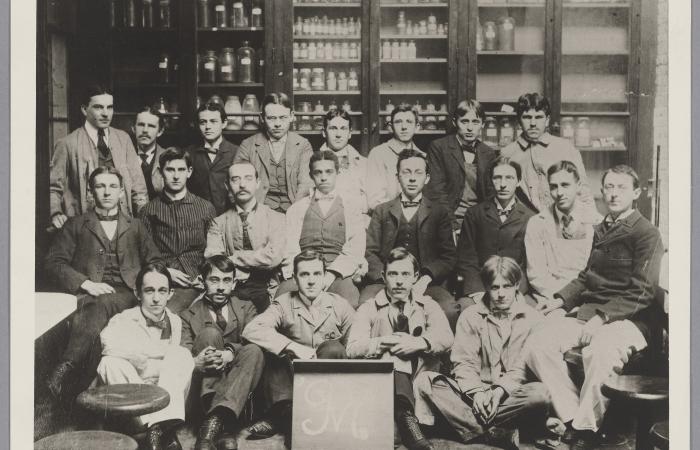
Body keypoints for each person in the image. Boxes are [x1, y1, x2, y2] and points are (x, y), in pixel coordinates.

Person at [525, 165, 664, 449]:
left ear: (636, 193)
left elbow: (642, 292)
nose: (613, 194)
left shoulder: (646, 233)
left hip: (631, 320)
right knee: (537, 345)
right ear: (602, 192)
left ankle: (585, 430)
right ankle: (573, 416)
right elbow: (586, 276)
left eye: (621, 188)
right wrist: (560, 300)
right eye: (609, 187)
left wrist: (602, 318)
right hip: (591, 313)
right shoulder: (602, 228)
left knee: (598, 352)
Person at [413, 256, 564, 449]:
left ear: (517, 285)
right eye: (495, 287)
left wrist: (499, 391)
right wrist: (477, 394)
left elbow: (522, 368)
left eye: (507, 286)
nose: (501, 294)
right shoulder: (470, 316)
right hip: (472, 396)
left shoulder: (534, 319)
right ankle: (495, 433)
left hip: (510, 395)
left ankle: (469, 427)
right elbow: (464, 362)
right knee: (426, 381)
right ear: (486, 287)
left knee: (540, 394)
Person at [44, 166, 162, 400]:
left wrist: (146, 288)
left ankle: (66, 368)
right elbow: (53, 263)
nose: (106, 192)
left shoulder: (136, 226)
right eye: (100, 186)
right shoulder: (76, 224)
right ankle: (82, 393)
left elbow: (155, 260)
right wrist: (85, 283)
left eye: (112, 186)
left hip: (129, 293)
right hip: (89, 294)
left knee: (103, 304)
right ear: (90, 193)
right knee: (99, 304)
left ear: (121, 193)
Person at [242, 250, 356, 444]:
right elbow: (251, 329)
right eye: (304, 274)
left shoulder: (341, 306)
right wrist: (292, 346)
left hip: (327, 391)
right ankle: (288, 418)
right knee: (274, 352)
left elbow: (355, 346)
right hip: (290, 386)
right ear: (295, 278)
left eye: (316, 274)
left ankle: (285, 422)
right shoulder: (283, 304)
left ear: (324, 276)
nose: (311, 281)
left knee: (334, 349)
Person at [347, 248, 454, 450]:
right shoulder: (370, 307)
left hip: (421, 382)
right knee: (393, 353)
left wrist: (419, 342)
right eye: (393, 274)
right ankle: (406, 417)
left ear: (415, 277)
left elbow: (447, 339)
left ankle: (406, 421)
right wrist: (386, 341)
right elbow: (352, 348)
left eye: (405, 274)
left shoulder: (427, 305)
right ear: (383, 276)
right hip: (385, 388)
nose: (399, 281)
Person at [97, 263, 194, 450]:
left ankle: (156, 430)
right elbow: (107, 343)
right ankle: (157, 428)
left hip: (164, 394)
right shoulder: (124, 319)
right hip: (134, 400)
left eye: (162, 291)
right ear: (137, 293)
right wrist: (149, 357)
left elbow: (175, 369)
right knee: (109, 363)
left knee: (181, 354)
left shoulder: (175, 321)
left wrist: (156, 361)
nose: (156, 298)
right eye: (149, 291)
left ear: (170, 294)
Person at [362, 149, 460, 328]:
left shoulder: (440, 212)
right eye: (406, 172)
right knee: (364, 307)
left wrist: (425, 279)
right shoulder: (382, 211)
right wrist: (386, 279)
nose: (412, 178)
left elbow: (448, 257)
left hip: (425, 284)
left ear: (427, 178)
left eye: (418, 173)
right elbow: (370, 252)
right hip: (386, 282)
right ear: (397, 177)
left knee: (449, 310)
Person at [179, 255, 264, 450]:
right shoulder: (186, 316)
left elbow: (257, 340)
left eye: (226, 280)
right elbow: (182, 355)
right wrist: (196, 361)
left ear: (234, 283)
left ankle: (211, 427)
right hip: (200, 393)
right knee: (209, 334)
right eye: (214, 280)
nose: (220, 287)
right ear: (202, 282)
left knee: (254, 349)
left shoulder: (247, 308)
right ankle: (223, 428)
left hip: (239, 388)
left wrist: (230, 353)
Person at [49, 84, 148, 229]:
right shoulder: (67, 144)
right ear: (84, 109)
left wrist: (143, 220)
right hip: (85, 229)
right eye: (98, 107)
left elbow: (139, 187)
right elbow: (53, 188)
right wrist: (55, 213)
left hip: (123, 226)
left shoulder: (123, 139)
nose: (106, 113)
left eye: (110, 107)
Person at [277, 150, 366, 307]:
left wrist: (331, 274)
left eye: (329, 172)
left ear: (337, 173)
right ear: (311, 176)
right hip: (304, 270)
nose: (323, 177)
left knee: (349, 303)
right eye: (318, 172)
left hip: (337, 272)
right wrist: (303, 274)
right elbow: (290, 247)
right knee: (283, 302)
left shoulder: (351, 207)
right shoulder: (297, 209)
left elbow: (355, 248)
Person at [139, 148, 218, 314]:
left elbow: (214, 251)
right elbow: (143, 254)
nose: (176, 176)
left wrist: (204, 277)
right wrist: (165, 272)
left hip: (198, 282)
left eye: (181, 170)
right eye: (170, 170)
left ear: (189, 172)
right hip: (162, 281)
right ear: (161, 172)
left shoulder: (205, 208)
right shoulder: (149, 210)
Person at [205, 161, 286, 313]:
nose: (242, 185)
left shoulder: (276, 218)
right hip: (232, 289)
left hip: (266, 287)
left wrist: (234, 258)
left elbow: (273, 257)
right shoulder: (218, 223)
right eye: (235, 179)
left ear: (257, 183)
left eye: (248, 178)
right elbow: (215, 259)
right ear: (227, 186)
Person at [456, 156, 536, 302]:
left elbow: (530, 264)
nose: (503, 184)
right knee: (465, 311)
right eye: (497, 178)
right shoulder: (474, 214)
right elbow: (466, 258)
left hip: (515, 288)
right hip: (480, 287)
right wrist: (477, 291)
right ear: (491, 181)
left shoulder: (531, 218)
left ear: (518, 181)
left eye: (509, 178)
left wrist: (516, 292)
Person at [500, 93, 593, 216]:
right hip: (523, 224)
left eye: (538, 117)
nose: (533, 123)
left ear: (547, 120)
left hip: (561, 221)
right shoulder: (507, 152)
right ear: (519, 120)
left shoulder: (565, 147)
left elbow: (583, 191)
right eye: (527, 117)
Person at [525, 161, 602, 308]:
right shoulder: (537, 223)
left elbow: (597, 273)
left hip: (587, 297)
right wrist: (560, 298)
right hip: (549, 297)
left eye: (565, 185)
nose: (559, 193)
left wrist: (574, 297)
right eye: (554, 187)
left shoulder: (596, 222)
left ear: (578, 186)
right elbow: (536, 274)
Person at [423, 99, 498, 230]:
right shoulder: (439, 148)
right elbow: (436, 192)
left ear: (482, 125)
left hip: (479, 221)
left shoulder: (488, 153)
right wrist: (453, 226)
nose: (470, 127)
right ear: (454, 122)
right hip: (447, 220)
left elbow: (490, 195)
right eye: (464, 121)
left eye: (475, 122)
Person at [234, 92, 314, 213]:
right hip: (258, 212)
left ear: (292, 116)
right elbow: (237, 183)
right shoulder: (248, 145)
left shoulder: (303, 145)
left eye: (283, 117)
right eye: (271, 118)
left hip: (293, 210)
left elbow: (306, 185)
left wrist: (295, 214)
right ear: (262, 118)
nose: (277, 124)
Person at [367, 103, 424, 212]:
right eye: (398, 122)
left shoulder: (423, 157)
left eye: (409, 122)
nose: (404, 127)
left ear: (417, 127)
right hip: (388, 219)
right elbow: (375, 201)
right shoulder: (378, 154)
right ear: (390, 127)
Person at [187, 102, 239, 215]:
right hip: (197, 216)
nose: (208, 127)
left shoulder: (237, 152)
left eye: (213, 121)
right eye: (203, 122)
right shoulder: (189, 153)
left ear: (224, 123)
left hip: (228, 215)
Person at [319, 108, 369, 224]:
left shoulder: (363, 163)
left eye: (343, 129)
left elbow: (370, 202)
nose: (338, 134)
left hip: (357, 223)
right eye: (333, 128)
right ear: (323, 132)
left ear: (350, 133)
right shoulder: (311, 163)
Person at [133, 106, 169, 200]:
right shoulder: (122, 156)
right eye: (141, 125)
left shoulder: (168, 158)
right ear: (133, 128)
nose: (145, 130)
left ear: (160, 131)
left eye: (151, 126)